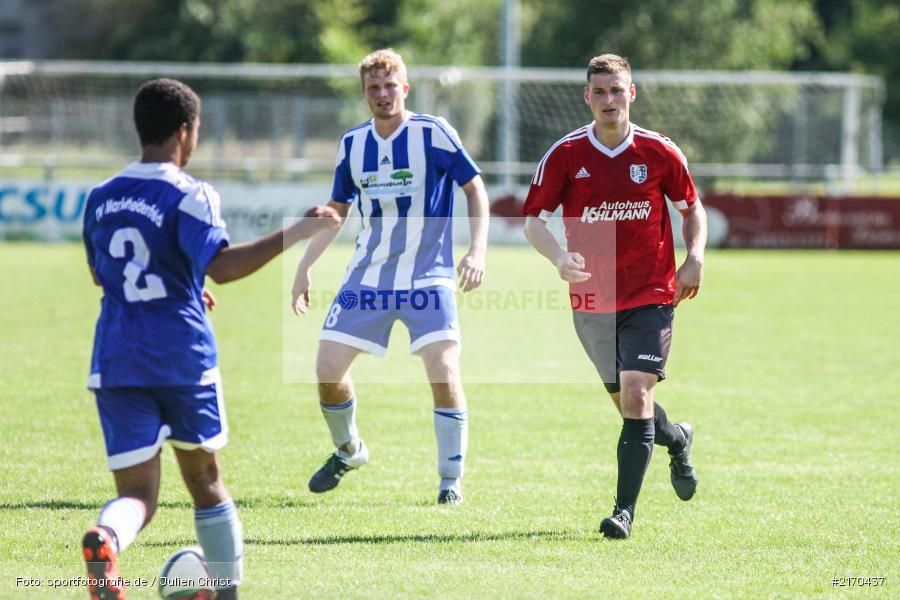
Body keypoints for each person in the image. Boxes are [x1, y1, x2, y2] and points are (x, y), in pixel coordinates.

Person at [80, 78, 340, 599]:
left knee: (138, 494)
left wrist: (182, 282)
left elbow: (101, 275)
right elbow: (222, 267)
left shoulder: (101, 197)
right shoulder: (190, 194)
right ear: (185, 131)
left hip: (116, 357)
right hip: (181, 356)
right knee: (206, 481)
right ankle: (227, 591)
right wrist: (296, 231)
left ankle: (107, 538)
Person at [291, 48, 489, 505]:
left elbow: (474, 187)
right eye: (373, 88)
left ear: (405, 88)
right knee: (327, 369)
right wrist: (304, 265)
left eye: (390, 85)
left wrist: (477, 249)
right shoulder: (352, 144)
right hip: (369, 278)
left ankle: (450, 482)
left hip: (428, 277)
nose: (383, 94)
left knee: (443, 370)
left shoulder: (433, 132)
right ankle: (349, 450)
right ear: (364, 94)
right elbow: (336, 211)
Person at [522, 54, 707, 539]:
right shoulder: (565, 154)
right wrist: (558, 257)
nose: (609, 100)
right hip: (593, 300)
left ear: (632, 93)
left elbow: (692, 208)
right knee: (630, 407)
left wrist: (695, 257)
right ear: (587, 97)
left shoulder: (659, 151)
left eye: (617, 90)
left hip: (651, 292)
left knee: (637, 392)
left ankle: (623, 513)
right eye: (600, 92)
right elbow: (533, 222)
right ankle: (678, 438)